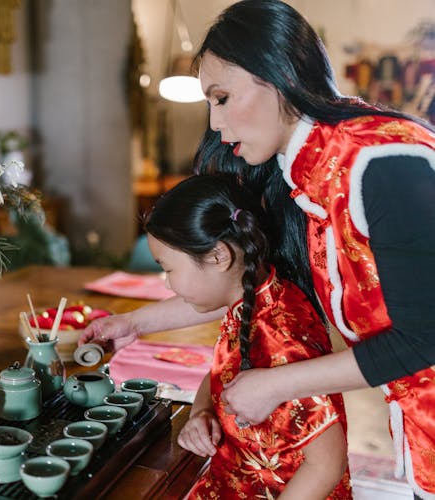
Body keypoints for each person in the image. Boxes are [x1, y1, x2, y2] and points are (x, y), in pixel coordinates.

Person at [80, 1, 435, 497]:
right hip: (415, 422)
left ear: (277, 74)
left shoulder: (385, 162)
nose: (217, 124)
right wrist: (133, 324)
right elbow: (235, 282)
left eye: (222, 97)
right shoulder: (298, 175)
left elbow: (423, 340)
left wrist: (277, 384)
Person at [146, 174, 351, 499]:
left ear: (218, 257)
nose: (167, 284)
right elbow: (220, 373)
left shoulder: (276, 337)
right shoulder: (255, 295)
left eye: (169, 269)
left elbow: (327, 464)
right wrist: (201, 412)